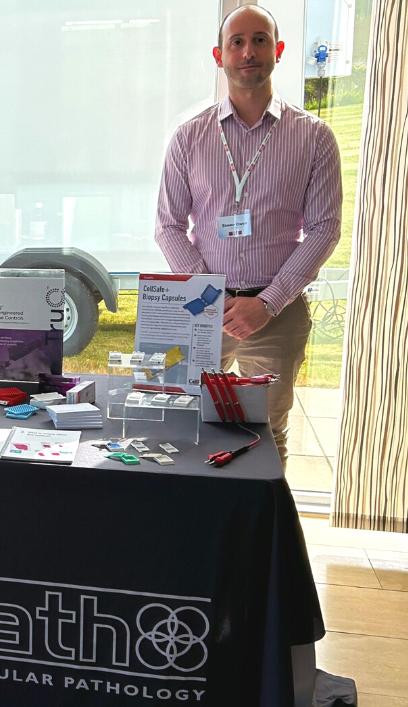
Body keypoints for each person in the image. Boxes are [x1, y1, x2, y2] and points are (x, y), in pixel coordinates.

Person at [155, 5, 342, 468]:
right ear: (219, 56)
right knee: (188, 423)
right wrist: (211, 295)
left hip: (276, 313)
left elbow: (324, 228)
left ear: (278, 50)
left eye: (260, 40)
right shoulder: (188, 138)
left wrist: (268, 302)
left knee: (268, 432)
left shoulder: (313, 137)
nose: (248, 52)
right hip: (203, 312)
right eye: (236, 42)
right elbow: (168, 225)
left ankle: (263, 518)